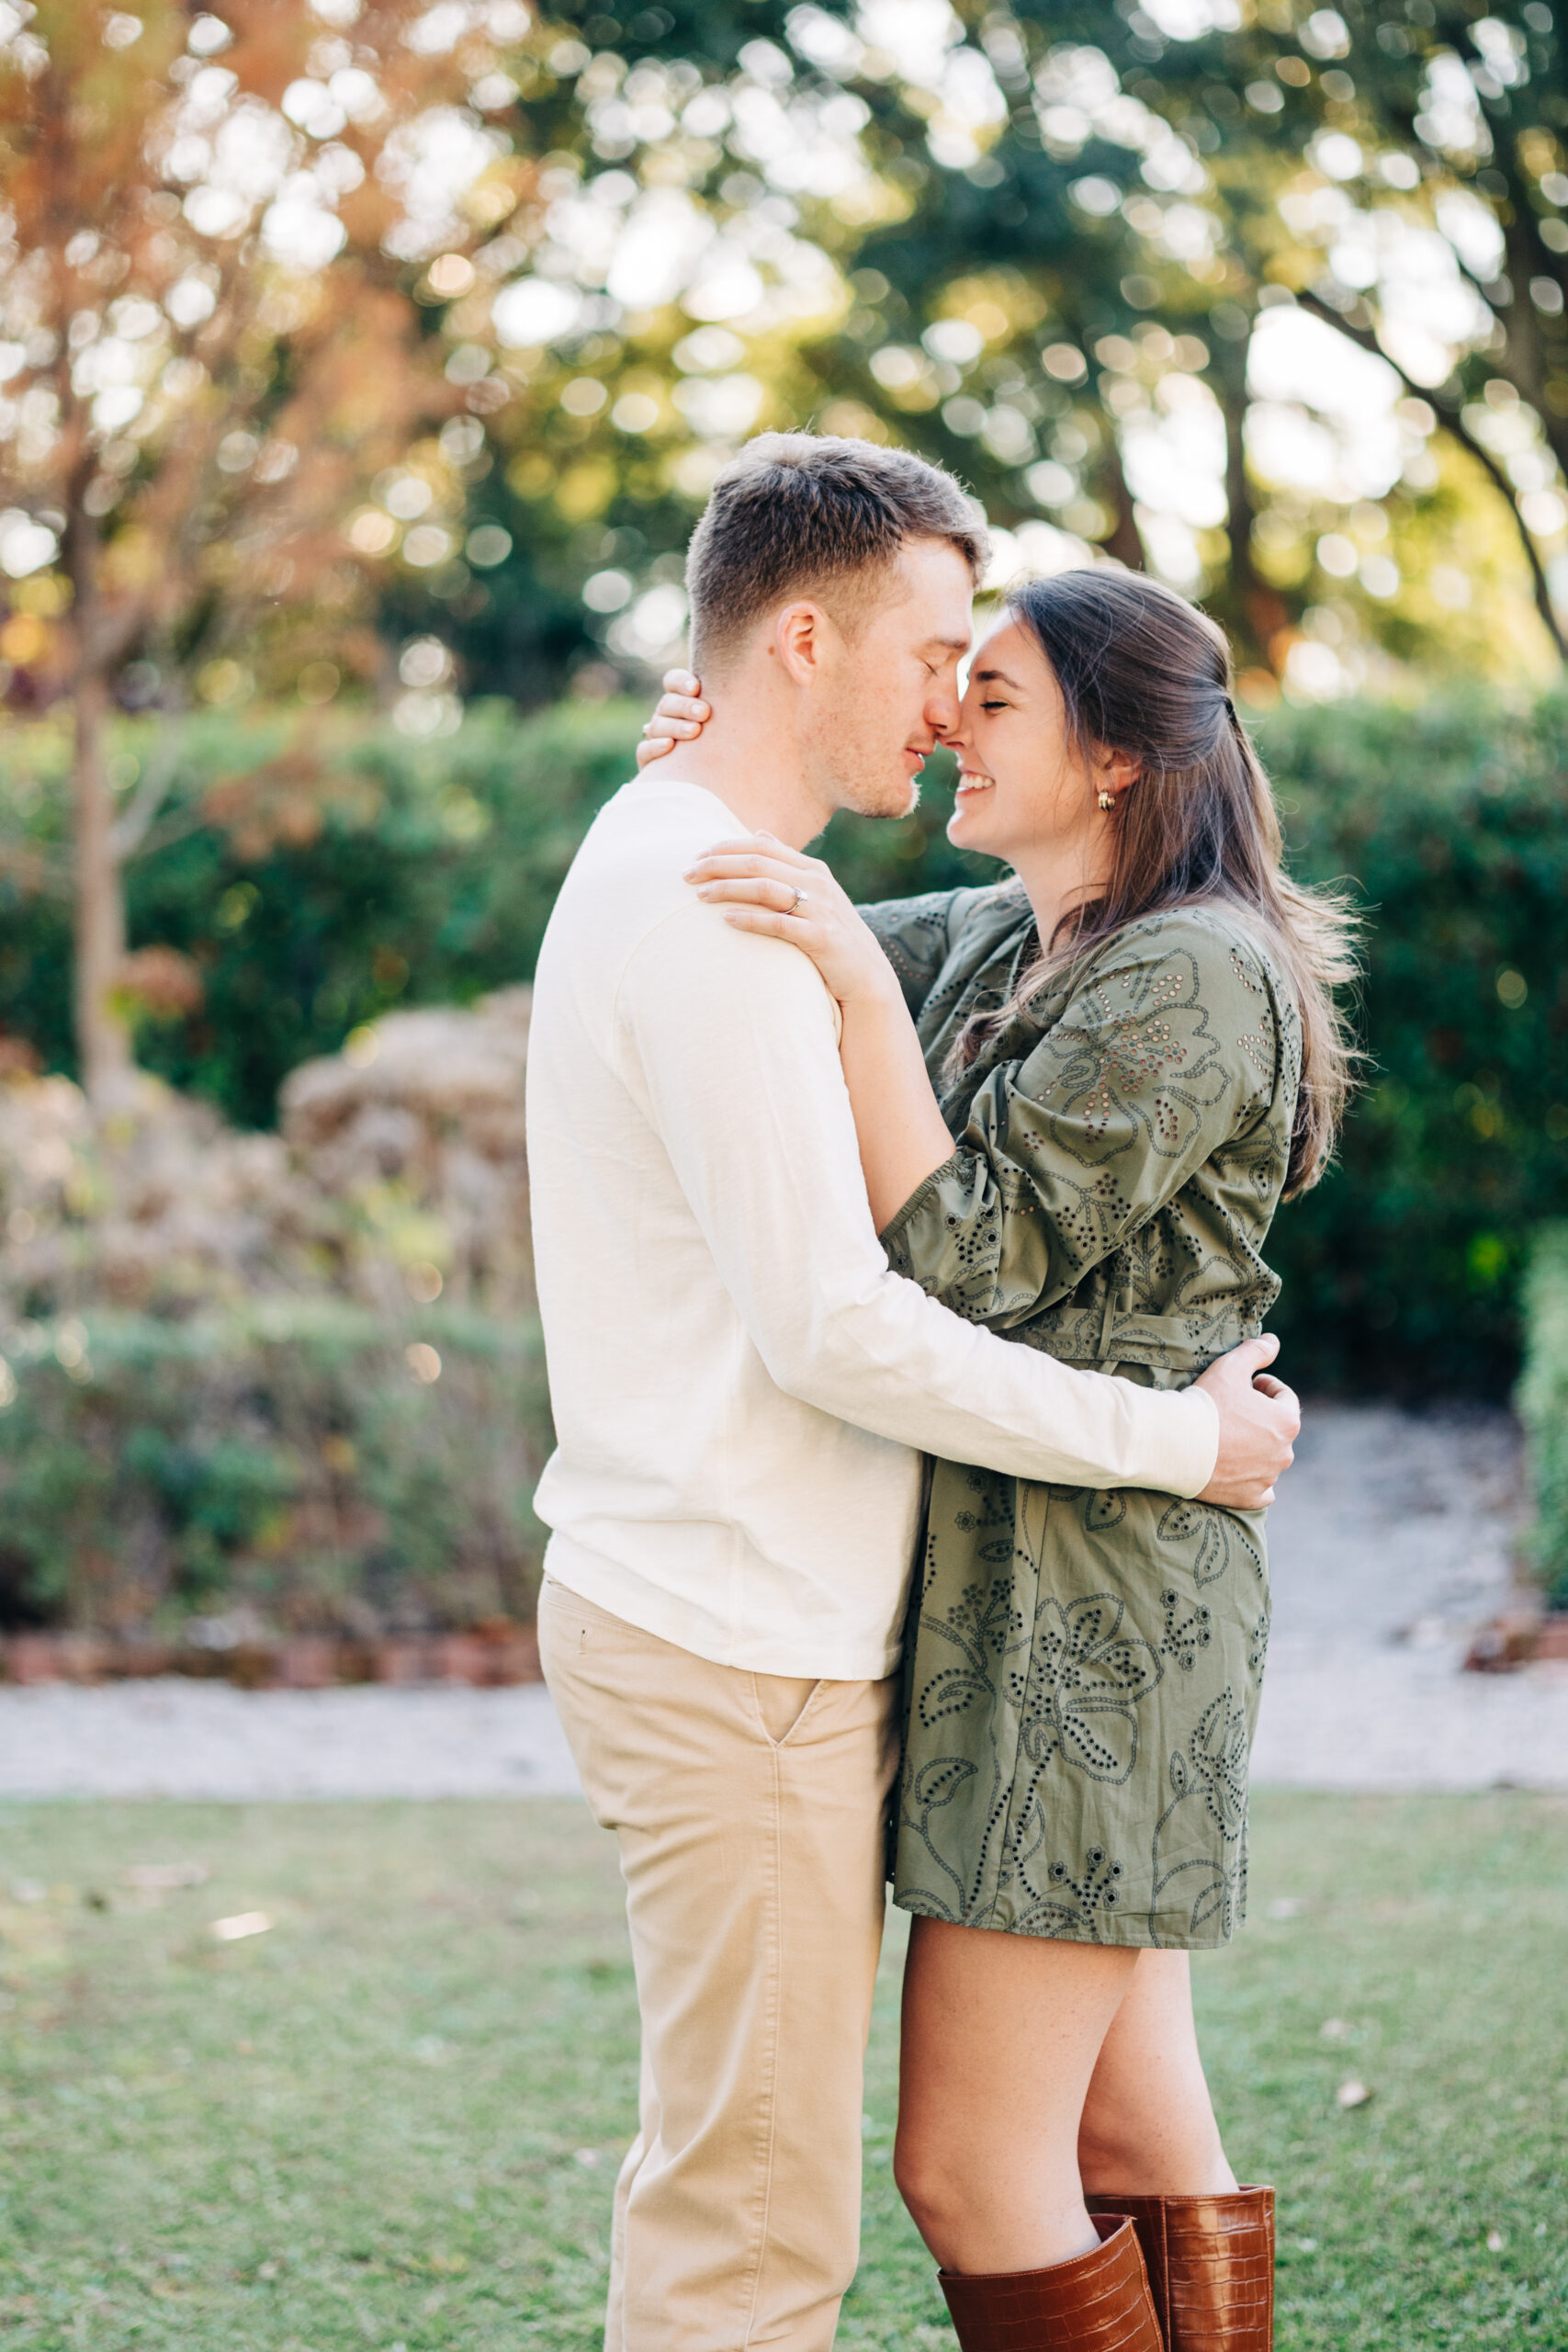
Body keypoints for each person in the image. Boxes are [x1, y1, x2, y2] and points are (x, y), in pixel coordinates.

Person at [529, 434, 1300, 2352]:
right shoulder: (949, 929)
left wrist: (1187, 1446)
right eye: (935, 659)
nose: (947, 708)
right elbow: (839, 1264)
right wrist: (706, 789)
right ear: (805, 636)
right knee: (840, 2193)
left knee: (1031, 2140)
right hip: (869, 1596)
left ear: (1114, 755)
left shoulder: (1174, 966)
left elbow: (935, 1251)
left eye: (990, 681)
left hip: (1084, 1582)